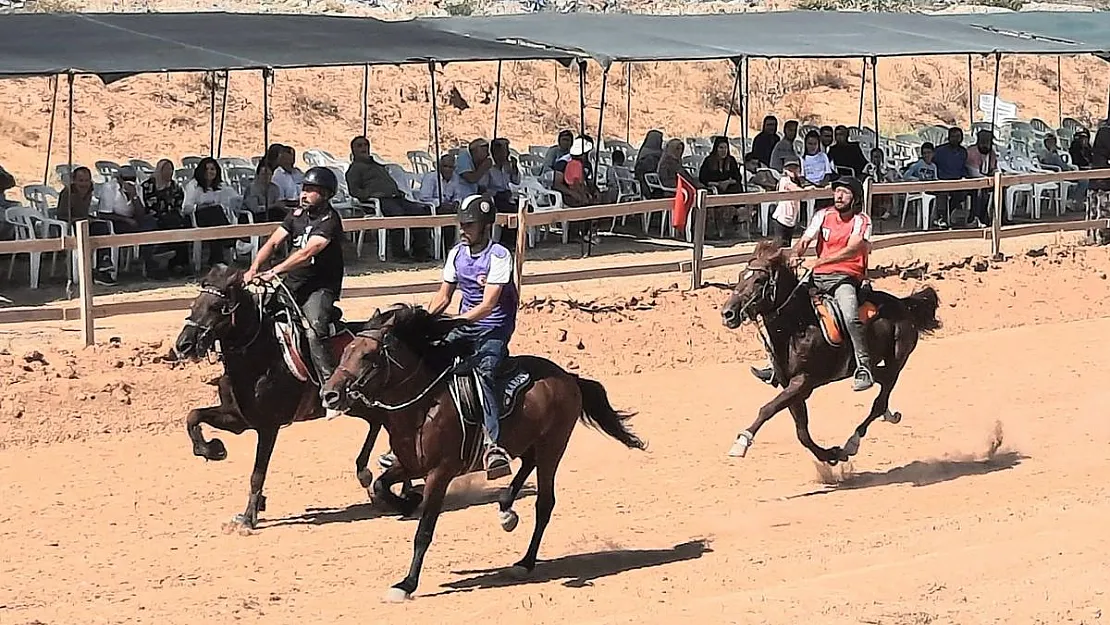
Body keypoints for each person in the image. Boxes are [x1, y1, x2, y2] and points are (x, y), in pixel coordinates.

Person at [751, 176, 874, 392]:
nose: (839, 196)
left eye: (845, 192)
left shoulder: (861, 220)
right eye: (837, 191)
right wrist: (796, 253)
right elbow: (805, 240)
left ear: (854, 198)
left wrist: (824, 260)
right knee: (784, 308)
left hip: (846, 277)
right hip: (819, 275)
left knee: (850, 315)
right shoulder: (823, 215)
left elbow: (854, 247)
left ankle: (863, 366)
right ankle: (776, 364)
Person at [428, 194, 520, 480]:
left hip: (494, 328)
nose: (464, 230)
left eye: (470, 225)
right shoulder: (457, 254)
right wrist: (427, 321)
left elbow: (489, 304)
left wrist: (455, 321)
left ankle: (493, 445)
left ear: (485, 226)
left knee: (485, 373)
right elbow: (444, 295)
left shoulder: (500, 256)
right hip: (466, 326)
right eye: (462, 225)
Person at [244, 167, 345, 384]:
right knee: (254, 312)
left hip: (319, 288)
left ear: (326, 194)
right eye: (303, 189)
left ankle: (331, 388)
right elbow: (273, 242)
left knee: (314, 330)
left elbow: (307, 253)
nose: (303, 194)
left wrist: (274, 271)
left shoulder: (330, 220)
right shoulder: (296, 215)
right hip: (293, 283)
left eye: (311, 190)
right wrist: (253, 268)